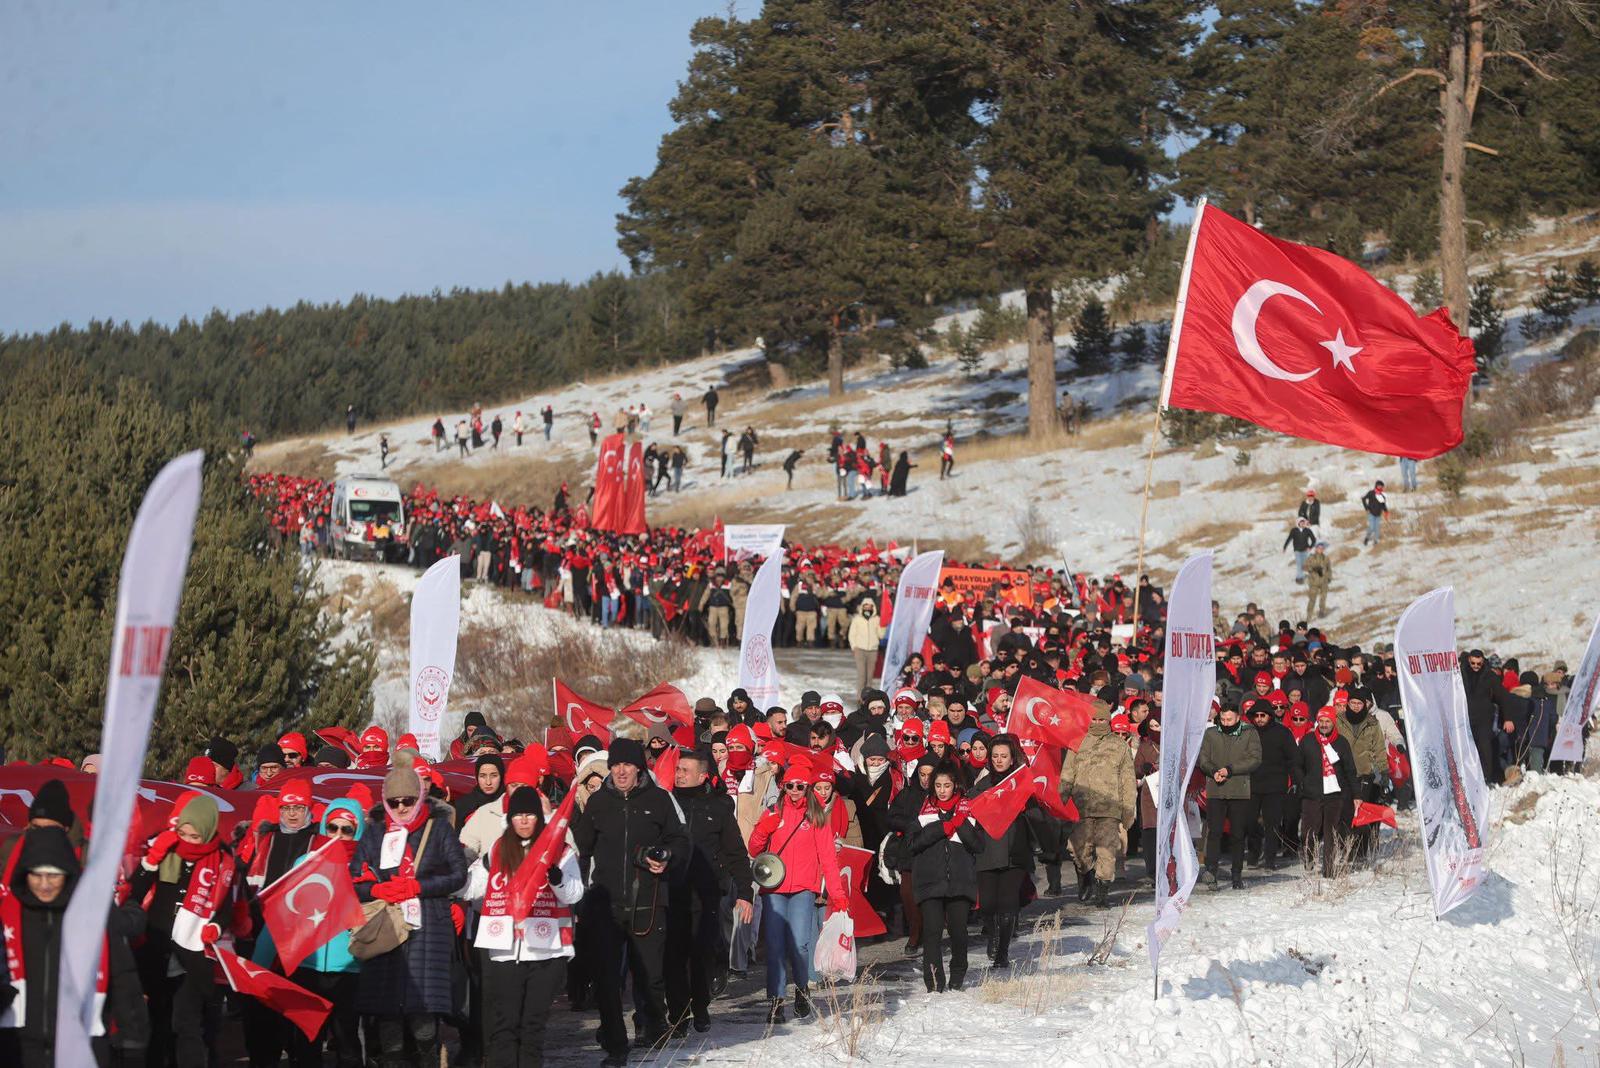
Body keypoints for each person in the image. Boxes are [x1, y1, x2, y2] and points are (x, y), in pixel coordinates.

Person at [571, 738, 688, 1064]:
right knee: (607, 978)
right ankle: (615, 1044)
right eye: (616, 765)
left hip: (648, 900)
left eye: (627, 765)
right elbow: (580, 848)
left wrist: (668, 857)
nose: (621, 771)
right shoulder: (598, 803)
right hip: (604, 903)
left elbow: (680, 840)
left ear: (639, 767)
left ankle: (650, 1025)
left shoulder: (659, 799)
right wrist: (575, 894)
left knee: (650, 974)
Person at [350, 754, 468, 1068]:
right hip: (386, 930)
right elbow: (353, 880)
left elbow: (459, 875)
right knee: (388, 1023)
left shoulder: (439, 829)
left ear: (419, 797)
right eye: (395, 801)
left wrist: (420, 886)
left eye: (408, 800)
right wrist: (376, 889)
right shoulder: (375, 834)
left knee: (424, 1024)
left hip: (427, 929)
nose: (402, 807)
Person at [1, 824, 146, 1068]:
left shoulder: (92, 918)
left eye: (53, 875)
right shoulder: (9, 919)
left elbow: (123, 979)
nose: (44, 885)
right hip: (19, 1047)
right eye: (36, 875)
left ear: (67, 873)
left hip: (82, 1045)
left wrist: (133, 1041)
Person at [461, 786, 583, 1068]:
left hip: (545, 950)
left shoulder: (558, 850)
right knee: (504, 1023)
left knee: (532, 1025)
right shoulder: (499, 848)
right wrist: (452, 881)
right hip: (504, 949)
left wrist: (557, 879)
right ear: (510, 818)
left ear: (539, 817)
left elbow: (575, 893)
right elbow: (475, 883)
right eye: (518, 815)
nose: (524, 821)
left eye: (530, 815)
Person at [130, 794, 239, 1068]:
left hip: (193, 955)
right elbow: (133, 893)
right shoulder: (166, 850)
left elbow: (226, 906)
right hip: (159, 948)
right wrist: (151, 861)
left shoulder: (223, 859)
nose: (187, 841)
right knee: (157, 1020)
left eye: (195, 836)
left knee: (186, 1024)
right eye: (183, 833)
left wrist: (216, 925)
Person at [748, 759, 847, 1022]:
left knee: (801, 946)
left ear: (808, 788)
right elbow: (754, 850)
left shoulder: (816, 817)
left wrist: (837, 895)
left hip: (804, 888)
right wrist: (762, 830)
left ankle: (803, 990)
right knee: (775, 947)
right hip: (774, 889)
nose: (794, 790)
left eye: (799, 786)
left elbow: (828, 857)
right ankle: (776, 1001)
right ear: (783, 787)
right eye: (789, 785)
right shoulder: (772, 812)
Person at [666, 749, 753, 1035]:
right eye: (677, 769)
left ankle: (700, 1005)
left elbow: (736, 853)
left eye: (685, 770)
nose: (679, 774)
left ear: (703, 775)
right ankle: (678, 1014)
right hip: (671, 892)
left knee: (701, 954)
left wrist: (745, 892)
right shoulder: (667, 803)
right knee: (674, 956)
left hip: (707, 894)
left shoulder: (717, 807)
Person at [909, 768, 981, 992]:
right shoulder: (923, 811)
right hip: (930, 881)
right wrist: (941, 828)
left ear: (955, 786)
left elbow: (979, 845)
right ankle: (934, 982)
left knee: (958, 931)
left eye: (947, 786)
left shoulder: (968, 810)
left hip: (959, 881)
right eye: (938, 786)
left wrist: (962, 825)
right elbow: (912, 845)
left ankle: (958, 974)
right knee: (932, 931)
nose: (942, 791)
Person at [1060, 702, 1135, 906]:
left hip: (1110, 808)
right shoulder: (1077, 742)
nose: (1098, 723)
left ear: (1108, 720)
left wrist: (1129, 810)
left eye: (1102, 719)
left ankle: (1102, 894)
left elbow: (1128, 779)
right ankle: (1086, 874)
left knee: (1107, 852)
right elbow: (1067, 774)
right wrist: (1061, 800)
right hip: (1081, 807)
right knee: (1077, 850)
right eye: (1095, 719)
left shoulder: (1119, 746)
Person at [970, 735, 1034, 969]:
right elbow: (970, 808)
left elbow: (1039, 814)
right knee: (987, 903)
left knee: (1007, 903)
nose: (998, 760)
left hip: (1015, 851)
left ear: (1011, 758)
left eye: (1003, 756)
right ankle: (993, 935)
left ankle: (1002, 952)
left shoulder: (1023, 782)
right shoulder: (983, 784)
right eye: (995, 756)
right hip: (987, 851)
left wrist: (1027, 807)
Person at [1198, 703, 1262, 890]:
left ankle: (1236, 874)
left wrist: (1230, 770)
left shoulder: (1249, 733)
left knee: (1237, 834)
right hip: (1216, 789)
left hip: (1239, 789)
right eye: (1223, 719)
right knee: (1215, 831)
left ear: (1238, 718)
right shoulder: (1211, 734)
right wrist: (1213, 771)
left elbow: (1255, 759)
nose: (1225, 723)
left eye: (1229, 720)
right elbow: (1203, 759)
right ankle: (1211, 871)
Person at [1293, 706, 1356, 877]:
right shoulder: (1308, 740)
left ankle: (1329, 869)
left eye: (1327, 721)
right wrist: (1302, 782)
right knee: (1309, 831)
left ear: (1333, 723)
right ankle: (1310, 858)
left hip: (1335, 795)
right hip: (1311, 793)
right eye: (1321, 721)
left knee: (1331, 832)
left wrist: (1356, 795)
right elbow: (1297, 765)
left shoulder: (1341, 742)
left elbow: (1350, 770)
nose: (1324, 724)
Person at [1246, 703, 1296, 870]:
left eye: (1263, 715)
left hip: (1275, 785)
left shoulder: (1283, 733)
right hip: (1251, 784)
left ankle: (1269, 859)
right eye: (1256, 716)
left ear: (1270, 716)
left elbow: (1293, 759)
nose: (1259, 719)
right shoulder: (1247, 732)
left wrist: (1295, 780)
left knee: (1272, 824)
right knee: (1250, 822)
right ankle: (1253, 855)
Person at [848, 599, 886, 696]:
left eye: (870, 606)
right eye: (866, 606)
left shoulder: (876, 619)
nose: (868, 608)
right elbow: (852, 634)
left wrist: (882, 626)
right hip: (860, 650)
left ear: (873, 607)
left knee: (869, 676)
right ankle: (860, 697)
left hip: (873, 651)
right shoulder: (857, 619)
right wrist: (854, 646)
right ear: (862, 607)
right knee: (862, 675)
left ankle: (868, 697)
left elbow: (881, 635)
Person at [1305, 542, 1332, 620]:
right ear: (1316, 548)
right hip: (1314, 582)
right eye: (1319, 548)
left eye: (1322, 548)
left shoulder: (1326, 558)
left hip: (1324, 581)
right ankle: (1309, 616)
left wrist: (1329, 578)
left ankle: (1321, 612)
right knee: (1312, 599)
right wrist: (1313, 568)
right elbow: (1305, 567)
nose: (1320, 549)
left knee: (1323, 598)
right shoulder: (1311, 557)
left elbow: (1329, 569)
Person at [1284, 518, 1316, 582]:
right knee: (1299, 564)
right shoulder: (1294, 530)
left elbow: (1313, 539)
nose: (1303, 524)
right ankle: (1299, 578)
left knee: (1304, 564)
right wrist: (1285, 547)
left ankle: (1306, 575)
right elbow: (1289, 539)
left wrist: (1310, 547)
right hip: (1297, 550)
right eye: (1301, 522)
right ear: (1298, 523)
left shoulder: (1307, 530)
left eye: (1303, 522)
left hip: (1305, 550)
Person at [1360, 480, 1388, 545]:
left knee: (1377, 529)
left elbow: (1383, 505)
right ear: (1376, 486)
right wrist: (1366, 508)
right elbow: (1363, 499)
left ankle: (1375, 541)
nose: (1380, 487)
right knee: (1372, 527)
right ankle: (1367, 538)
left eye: (1381, 486)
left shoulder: (1382, 495)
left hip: (1378, 514)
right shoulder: (1371, 493)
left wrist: (1386, 512)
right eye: (1379, 486)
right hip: (1371, 514)